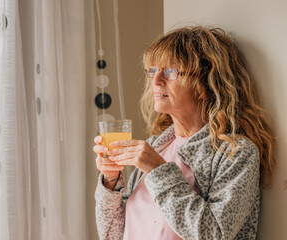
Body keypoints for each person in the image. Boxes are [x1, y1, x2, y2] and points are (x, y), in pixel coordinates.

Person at [93, 26, 275, 240]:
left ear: (205, 83)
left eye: (170, 71)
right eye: (153, 70)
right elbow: (113, 235)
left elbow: (213, 234)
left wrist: (158, 170)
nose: (156, 80)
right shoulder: (156, 146)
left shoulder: (236, 153)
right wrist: (111, 182)